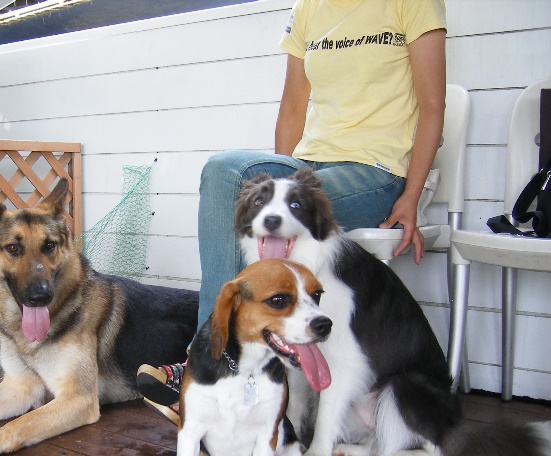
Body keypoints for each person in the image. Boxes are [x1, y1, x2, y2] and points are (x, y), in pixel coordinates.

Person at [137, 0, 447, 414]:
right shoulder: (308, 9)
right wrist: (280, 185)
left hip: (373, 170)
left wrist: (411, 195)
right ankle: (215, 363)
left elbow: (432, 106)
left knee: (225, 170)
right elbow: (294, 108)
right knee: (224, 177)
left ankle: (209, 369)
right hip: (306, 169)